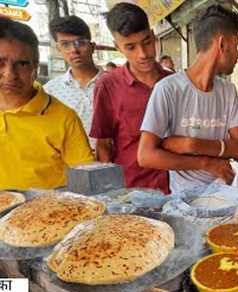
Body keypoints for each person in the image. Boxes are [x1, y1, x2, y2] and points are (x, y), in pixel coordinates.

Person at [138, 5, 238, 193]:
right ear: (221, 44)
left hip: (225, 195)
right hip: (185, 202)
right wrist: (205, 162)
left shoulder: (228, 90)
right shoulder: (168, 89)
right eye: (236, 45)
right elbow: (146, 156)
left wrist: (192, 144)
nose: (237, 55)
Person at [0, 17, 94, 189]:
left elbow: (86, 182)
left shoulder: (64, 118)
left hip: (50, 212)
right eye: (0, 63)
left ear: (35, 66)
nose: (10, 74)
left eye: (21, 64)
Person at [90, 3, 171, 193]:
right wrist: (110, 193)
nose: (143, 54)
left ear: (153, 35)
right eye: (130, 47)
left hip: (175, 188)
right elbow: (103, 145)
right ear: (117, 47)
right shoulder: (108, 85)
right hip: (132, 191)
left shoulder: (172, 81)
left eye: (147, 42)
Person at [44, 15, 102, 145]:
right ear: (59, 50)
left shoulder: (114, 83)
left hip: (113, 161)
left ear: (92, 46)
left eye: (80, 42)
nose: (74, 50)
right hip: (70, 163)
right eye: (65, 44)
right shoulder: (50, 91)